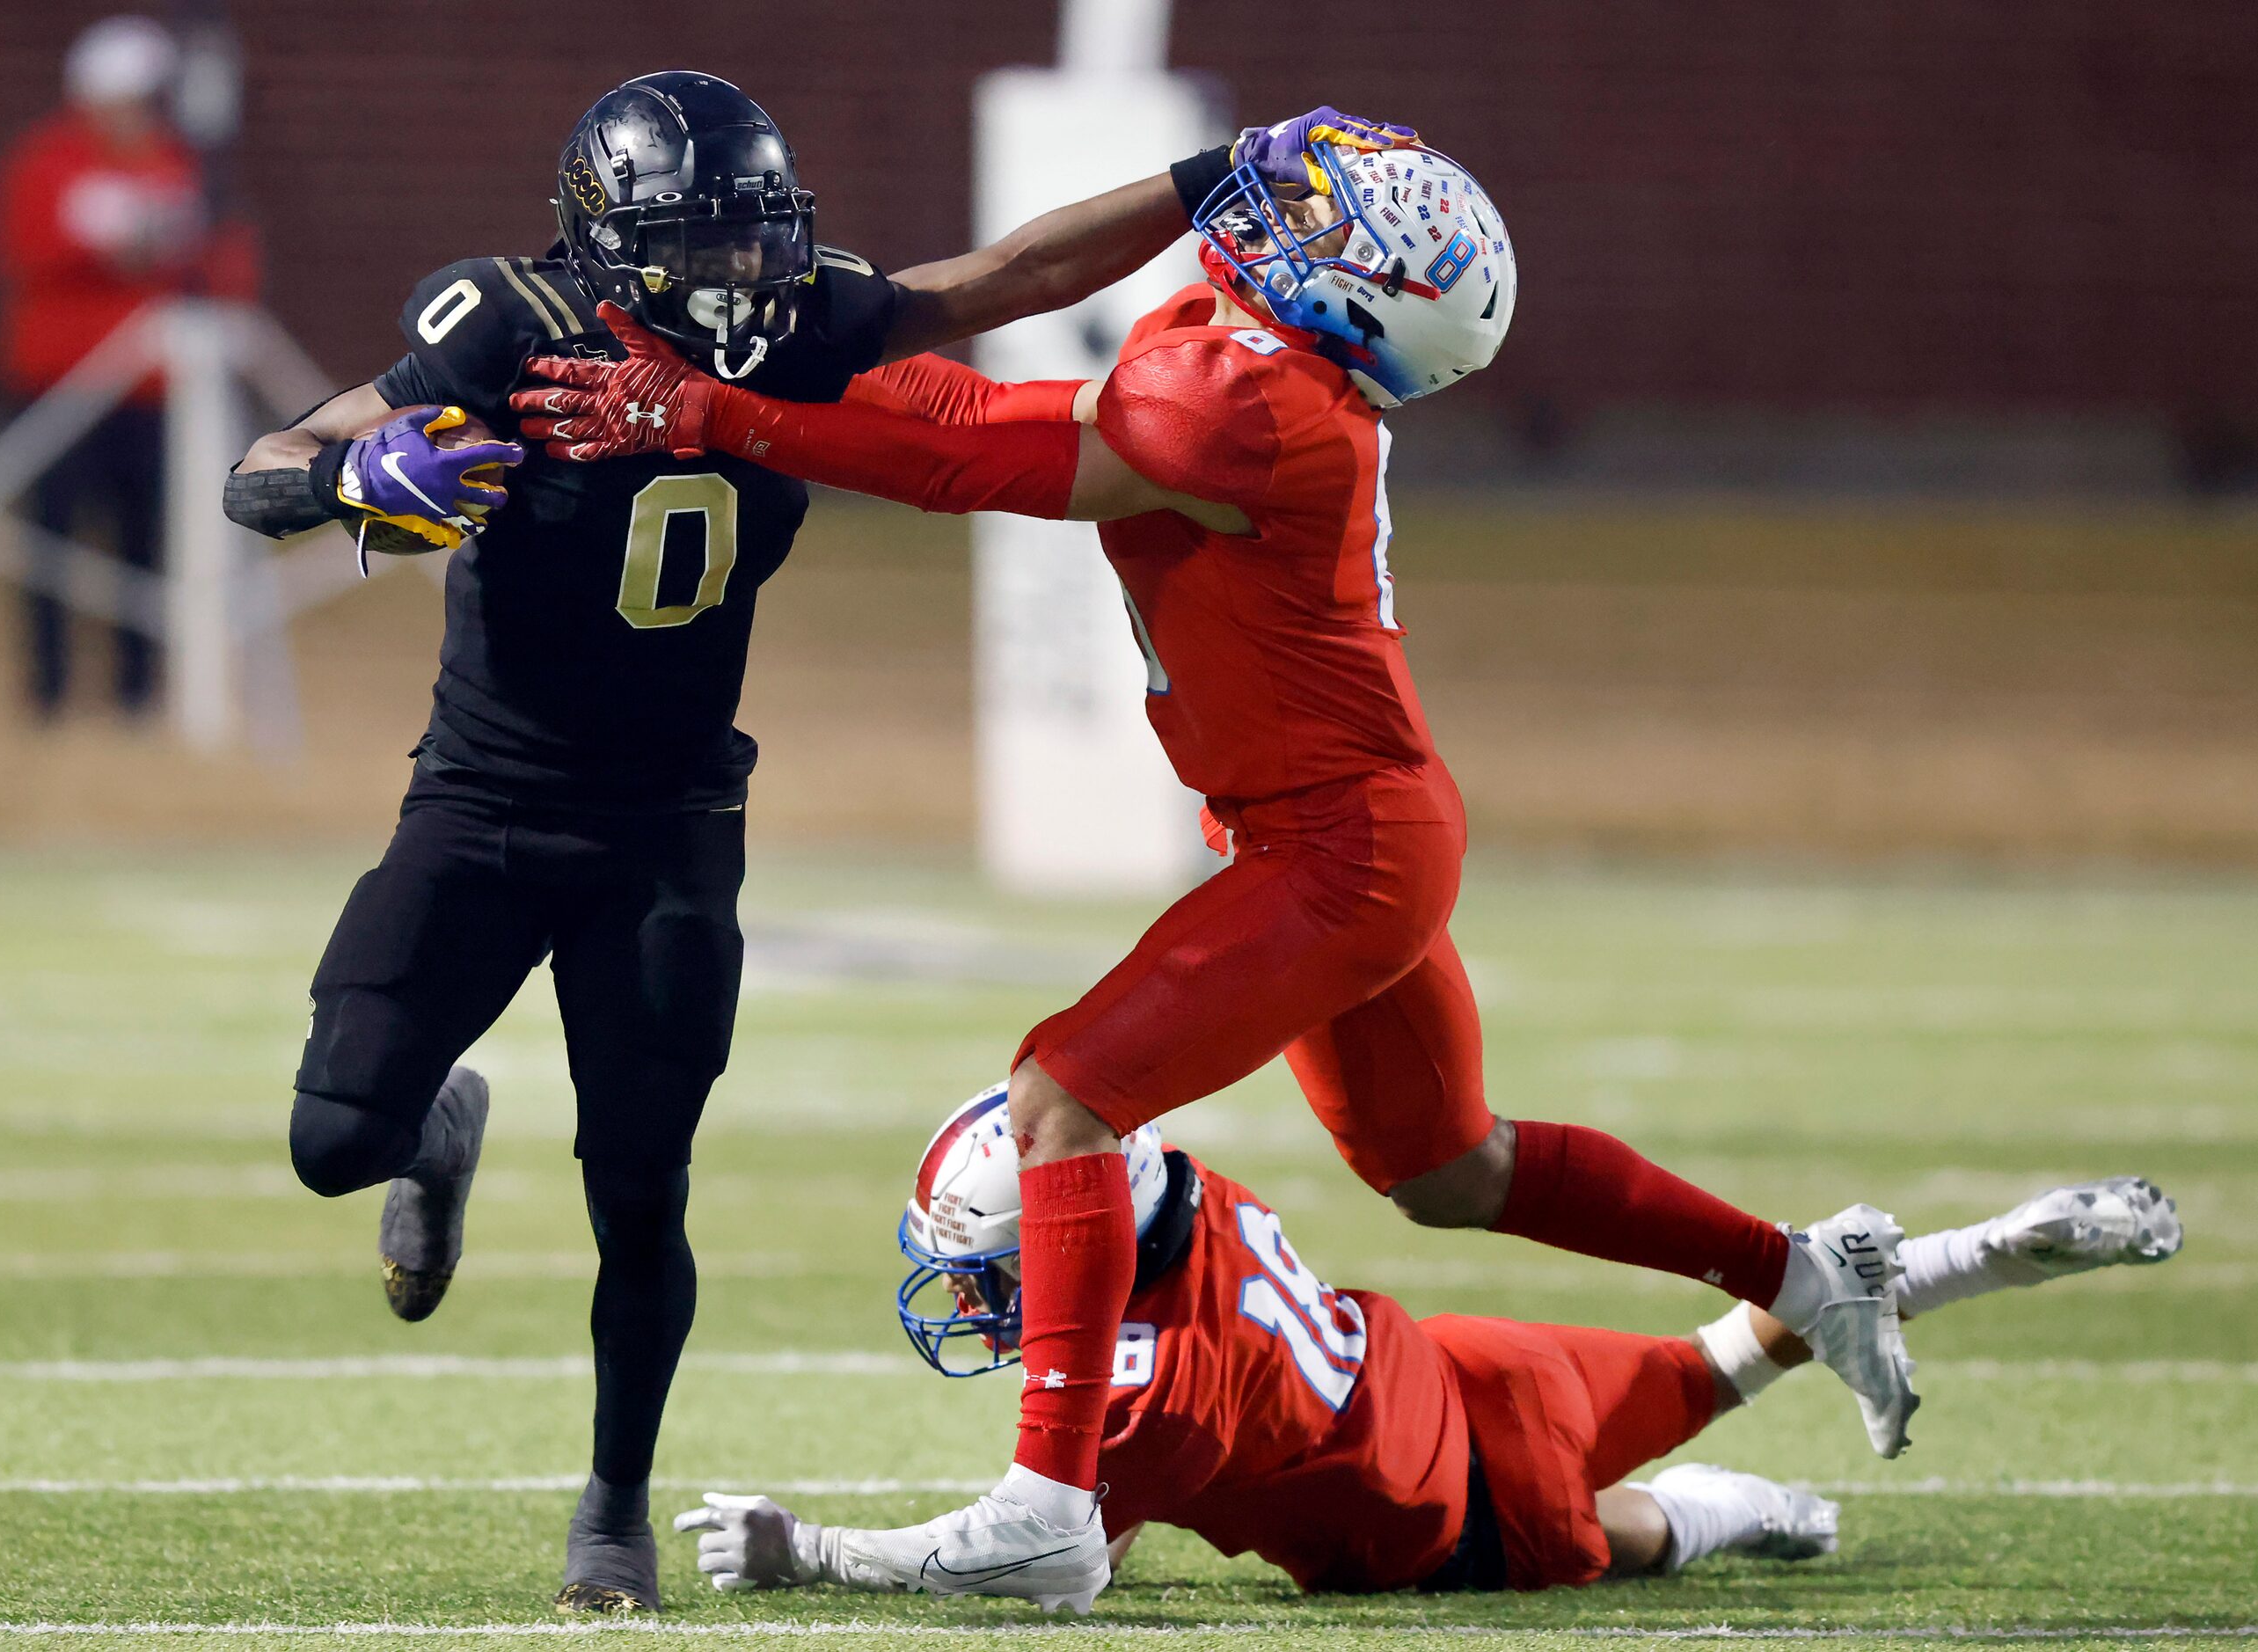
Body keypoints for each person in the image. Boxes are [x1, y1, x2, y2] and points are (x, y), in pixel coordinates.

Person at [516, 131, 1924, 1610]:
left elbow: (965, 458)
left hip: (1334, 847)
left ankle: (1047, 1503)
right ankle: (1794, 1273)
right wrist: (764, 381)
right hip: (1355, 825)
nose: (1280, 210)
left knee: (1062, 1095)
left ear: (1361, 293)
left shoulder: (1246, 403)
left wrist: (716, 414)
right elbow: (978, 404)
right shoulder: (1242, 356)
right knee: (1449, 1169)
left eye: (1326, 215)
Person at [219, 74, 1396, 1615]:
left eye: (754, 237)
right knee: (329, 1143)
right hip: (486, 800)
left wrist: (1209, 176)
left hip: (673, 823)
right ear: (606, 241)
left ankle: (611, 1512)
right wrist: (347, 477)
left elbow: (1004, 278)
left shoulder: (802, 323)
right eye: (698, 245)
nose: (738, 277)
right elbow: (264, 464)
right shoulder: (502, 324)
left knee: (640, 1185)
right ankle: (434, 1122)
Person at [675, 1086, 2183, 1604]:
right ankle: (1984, 1245)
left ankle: (1755, 1514)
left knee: (1632, 1515)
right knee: (1729, 1351)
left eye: (998, 1272)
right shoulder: (1193, 1195)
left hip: (1430, 1509)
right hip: (1445, 1362)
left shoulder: (1137, 1390)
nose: (988, 1303)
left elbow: (1056, 1556)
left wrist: (813, 1548)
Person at [0, 14, 254, 719]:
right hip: (58, 385)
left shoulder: (179, 164)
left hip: (153, 391)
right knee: (52, 543)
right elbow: (28, 251)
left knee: (146, 542)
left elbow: (220, 261)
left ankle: (139, 693)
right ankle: (48, 693)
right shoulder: (47, 162)